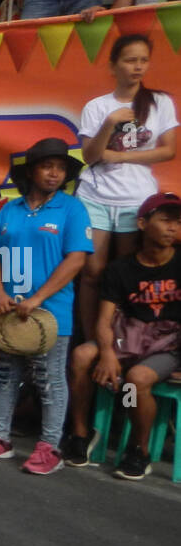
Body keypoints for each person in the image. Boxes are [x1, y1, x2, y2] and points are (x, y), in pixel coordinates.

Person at [0, 138, 93, 473]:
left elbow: (76, 259)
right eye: (47, 166)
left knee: (49, 380)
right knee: (5, 376)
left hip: (50, 314)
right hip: (8, 312)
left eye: (60, 168)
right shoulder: (10, 208)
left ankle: (50, 447)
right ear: (32, 171)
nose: (54, 173)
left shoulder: (72, 209)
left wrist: (38, 299)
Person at [65, 191, 181, 477]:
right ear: (142, 224)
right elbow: (105, 320)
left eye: (177, 223)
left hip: (168, 345)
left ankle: (139, 449)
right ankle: (81, 434)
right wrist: (105, 353)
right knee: (81, 355)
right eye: (165, 220)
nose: (172, 228)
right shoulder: (120, 269)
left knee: (135, 381)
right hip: (126, 338)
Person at [76, 34, 178, 340]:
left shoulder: (159, 102)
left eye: (143, 60)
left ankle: (122, 339)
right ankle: (90, 340)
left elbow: (169, 151)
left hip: (136, 198)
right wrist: (110, 123)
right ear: (113, 65)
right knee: (92, 273)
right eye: (130, 60)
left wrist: (119, 156)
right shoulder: (97, 106)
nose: (137, 67)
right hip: (95, 196)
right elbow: (91, 156)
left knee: (123, 272)